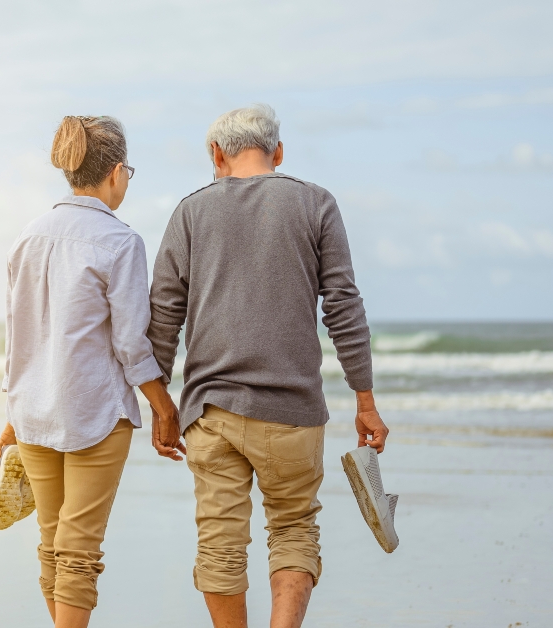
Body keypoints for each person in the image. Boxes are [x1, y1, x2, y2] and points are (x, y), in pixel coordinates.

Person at [146, 104, 391, 628]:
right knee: (294, 530)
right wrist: (365, 401)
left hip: (210, 412)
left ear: (217, 156)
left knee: (219, 543)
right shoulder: (316, 204)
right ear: (278, 152)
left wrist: (161, 404)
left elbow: (163, 313)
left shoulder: (190, 212)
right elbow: (343, 307)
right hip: (293, 412)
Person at [0, 115, 180, 628]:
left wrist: (11, 413)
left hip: (32, 411)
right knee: (78, 549)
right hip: (93, 412)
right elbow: (129, 344)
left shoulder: (26, 238)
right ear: (117, 172)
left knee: (53, 541)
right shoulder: (120, 242)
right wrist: (163, 406)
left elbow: (17, 340)